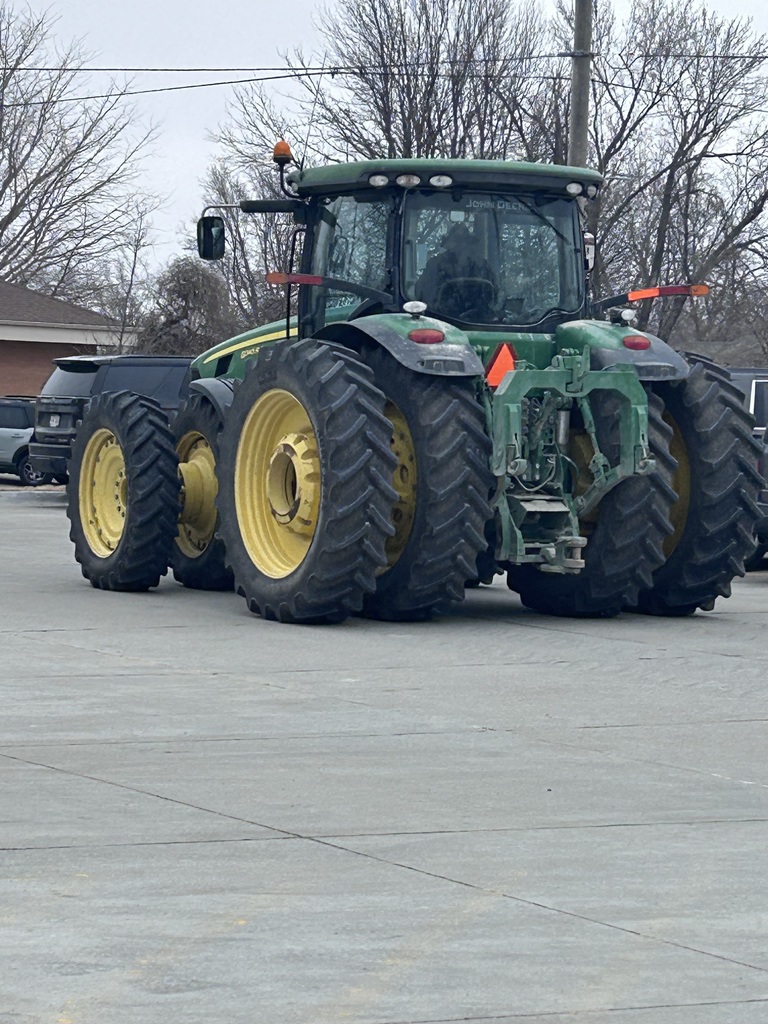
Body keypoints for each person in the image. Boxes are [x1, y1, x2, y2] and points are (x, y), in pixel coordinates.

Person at [414, 222, 498, 317]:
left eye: (465, 241)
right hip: (441, 318)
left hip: (479, 319)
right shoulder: (435, 264)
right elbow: (421, 292)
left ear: (470, 244)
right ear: (449, 244)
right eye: (457, 241)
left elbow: (495, 295)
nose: (461, 245)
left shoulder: (483, 266)